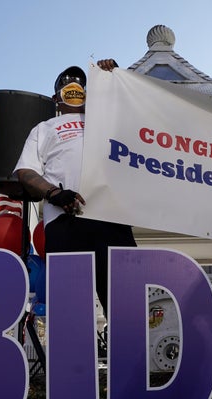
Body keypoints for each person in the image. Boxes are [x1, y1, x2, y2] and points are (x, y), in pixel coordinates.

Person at [13, 59, 136, 314]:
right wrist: (54, 193)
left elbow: (135, 115)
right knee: (70, 307)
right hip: (64, 220)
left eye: (80, 87)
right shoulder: (44, 128)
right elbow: (25, 171)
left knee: (124, 301)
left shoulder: (105, 121)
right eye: (67, 87)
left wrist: (111, 79)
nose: (74, 90)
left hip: (110, 217)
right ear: (56, 97)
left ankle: (128, 350)